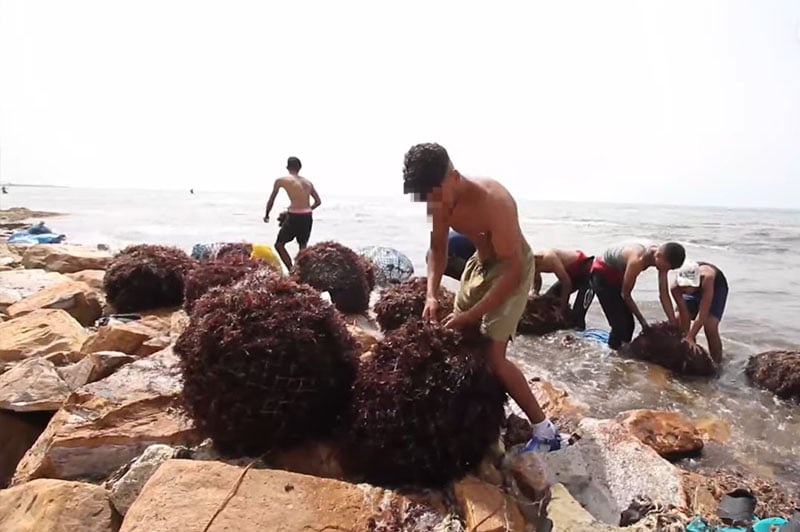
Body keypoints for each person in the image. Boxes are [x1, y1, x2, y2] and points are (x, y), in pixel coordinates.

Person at [403, 142, 560, 452]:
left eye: (434, 196)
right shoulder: (439, 199)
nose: (432, 205)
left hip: (512, 269)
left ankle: (545, 431)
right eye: (425, 198)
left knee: (494, 357)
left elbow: (512, 273)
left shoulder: (495, 203)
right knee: (459, 338)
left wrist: (471, 315)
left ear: (454, 176)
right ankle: (479, 413)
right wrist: (431, 294)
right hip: (480, 263)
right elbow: (437, 249)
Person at [590, 241, 686, 349]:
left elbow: (663, 294)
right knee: (619, 325)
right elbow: (626, 294)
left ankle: (621, 352)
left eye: (670, 269)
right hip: (601, 273)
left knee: (629, 325)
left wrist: (672, 323)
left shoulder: (662, 258)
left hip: (619, 272)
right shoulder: (637, 260)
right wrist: (643, 322)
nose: (666, 271)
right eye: (667, 268)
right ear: (659, 255)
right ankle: (611, 353)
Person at [263, 156, 321, 270]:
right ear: (300, 167)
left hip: (294, 216)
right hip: (307, 216)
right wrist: (307, 209)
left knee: (279, 244)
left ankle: (291, 270)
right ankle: (301, 272)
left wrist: (267, 214)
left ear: (287, 167)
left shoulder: (281, 180)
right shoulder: (308, 182)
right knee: (303, 247)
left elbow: (272, 199)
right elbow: (318, 202)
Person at [668, 261, 728, 363]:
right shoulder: (675, 287)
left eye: (688, 286)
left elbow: (702, 313)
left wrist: (690, 336)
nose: (685, 289)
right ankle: (691, 355)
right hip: (693, 287)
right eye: (683, 286)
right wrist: (687, 337)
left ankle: (717, 362)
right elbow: (684, 313)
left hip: (715, 288)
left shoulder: (708, 278)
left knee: (710, 325)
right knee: (678, 318)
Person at [532, 249, 595, 330]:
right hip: (572, 276)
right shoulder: (530, 265)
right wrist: (535, 293)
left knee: (578, 315)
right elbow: (536, 280)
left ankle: (578, 333)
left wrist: (562, 308)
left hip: (587, 272)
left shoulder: (548, 258)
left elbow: (567, 283)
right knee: (548, 298)